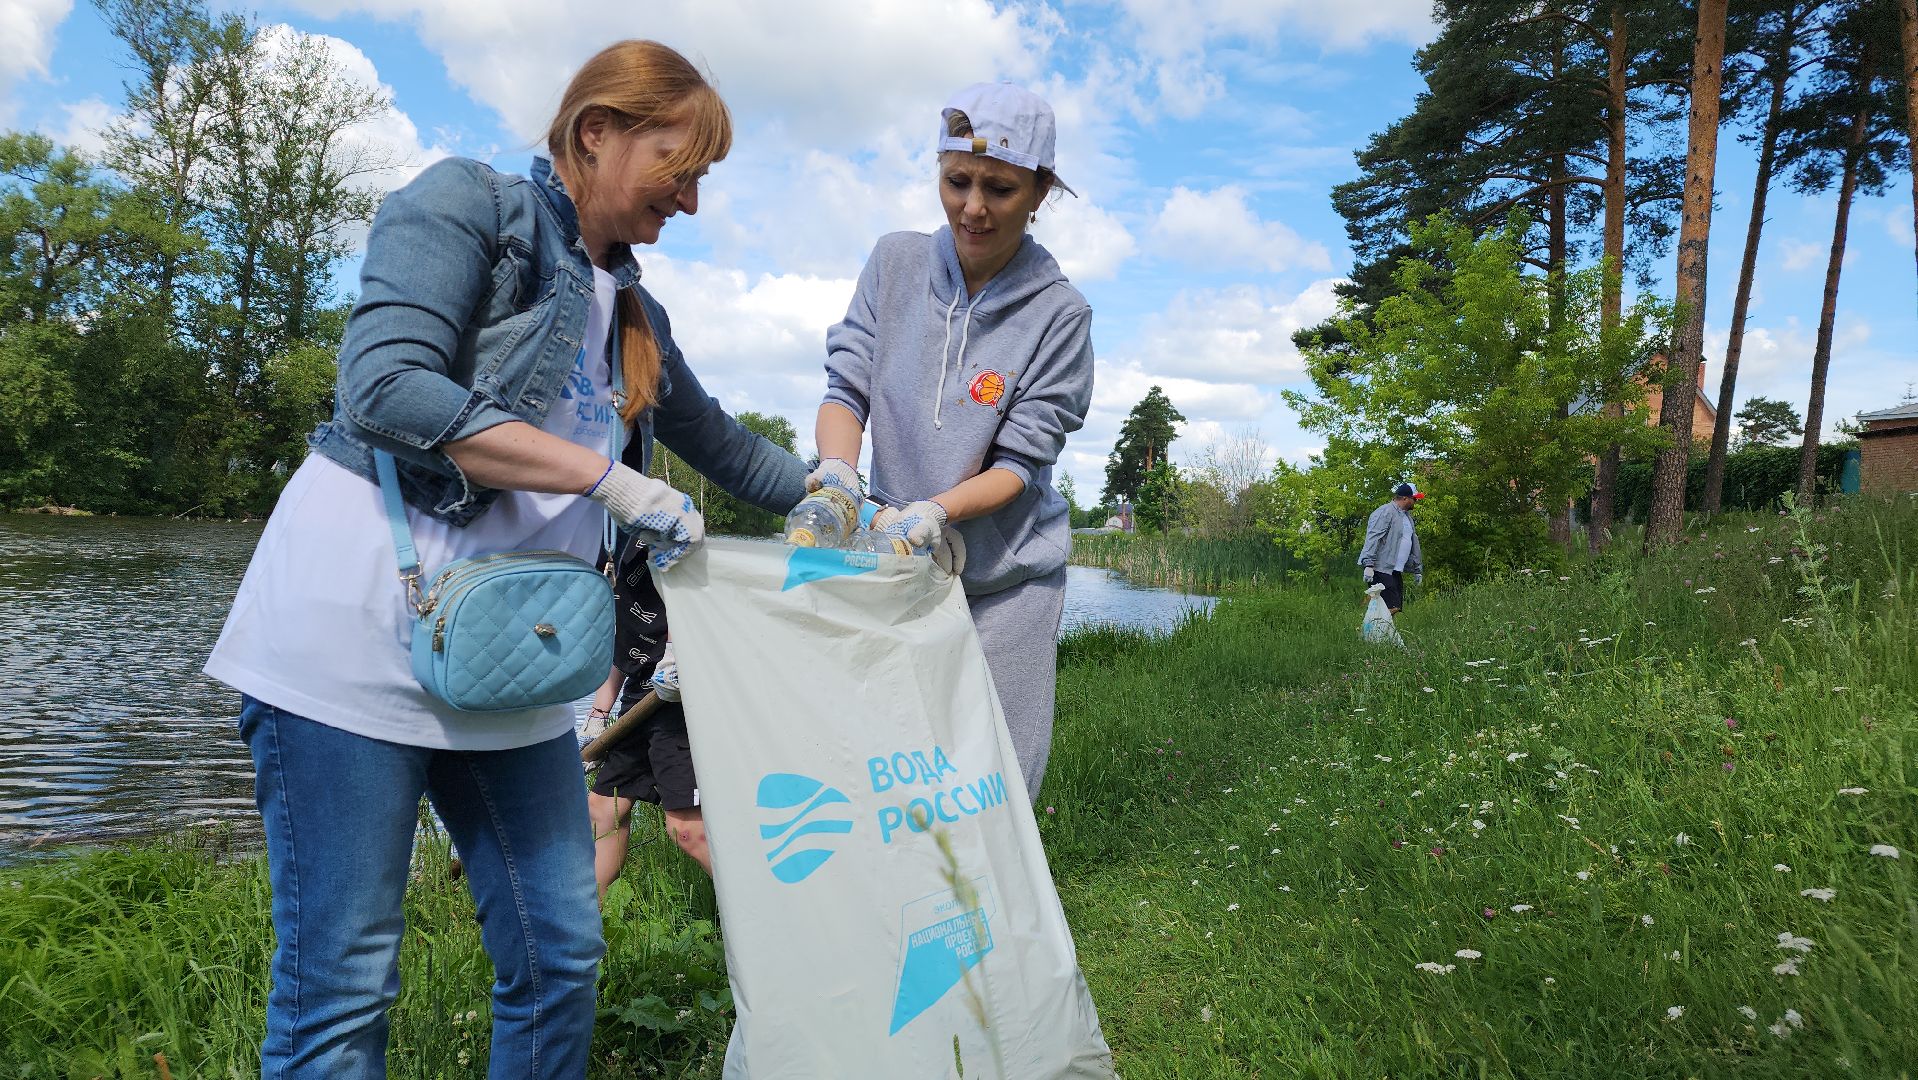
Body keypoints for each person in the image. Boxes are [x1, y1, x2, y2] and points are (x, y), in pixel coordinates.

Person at [202, 40, 806, 1079]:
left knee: (560, 952)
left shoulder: (635, 314)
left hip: (515, 675)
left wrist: (862, 505)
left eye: (703, 178)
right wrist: (604, 478)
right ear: (595, 132)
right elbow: (384, 388)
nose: (693, 201)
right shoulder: (470, 208)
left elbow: (733, 451)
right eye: (681, 165)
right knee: (342, 989)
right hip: (351, 657)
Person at [811, 82, 1093, 799]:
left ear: (1040, 192)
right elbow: (846, 389)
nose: (973, 207)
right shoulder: (894, 264)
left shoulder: (1060, 314)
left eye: (999, 188)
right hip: (895, 564)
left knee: (989, 780)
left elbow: (1023, 463)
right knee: (889, 769)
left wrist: (934, 510)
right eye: (956, 181)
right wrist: (841, 474)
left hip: (1006, 583)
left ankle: (996, 911)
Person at [585, 536, 709, 893]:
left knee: (686, 830)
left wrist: (677, 652)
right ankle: (591, 931)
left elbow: (693, 591)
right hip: (640, 695)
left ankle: (768, 916)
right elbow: (621, 644)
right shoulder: (607, 546)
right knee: (603, 810)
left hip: (677, 696)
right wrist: (597, 714)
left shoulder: (653, 531)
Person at [1359, 482, 1424, 614]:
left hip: (1395, 570)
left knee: (1395, 606)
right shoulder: (1385, 512)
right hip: (1380, 569)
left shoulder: (1407, 517)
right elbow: (1373, 537)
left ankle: (1381, 632)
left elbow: (1412, 543)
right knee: (1390, 606)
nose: (1416, 501)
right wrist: (1368, 564)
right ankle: (1373, 629)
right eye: (1414, 498)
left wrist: (1417, 569)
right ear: (1405, 498)